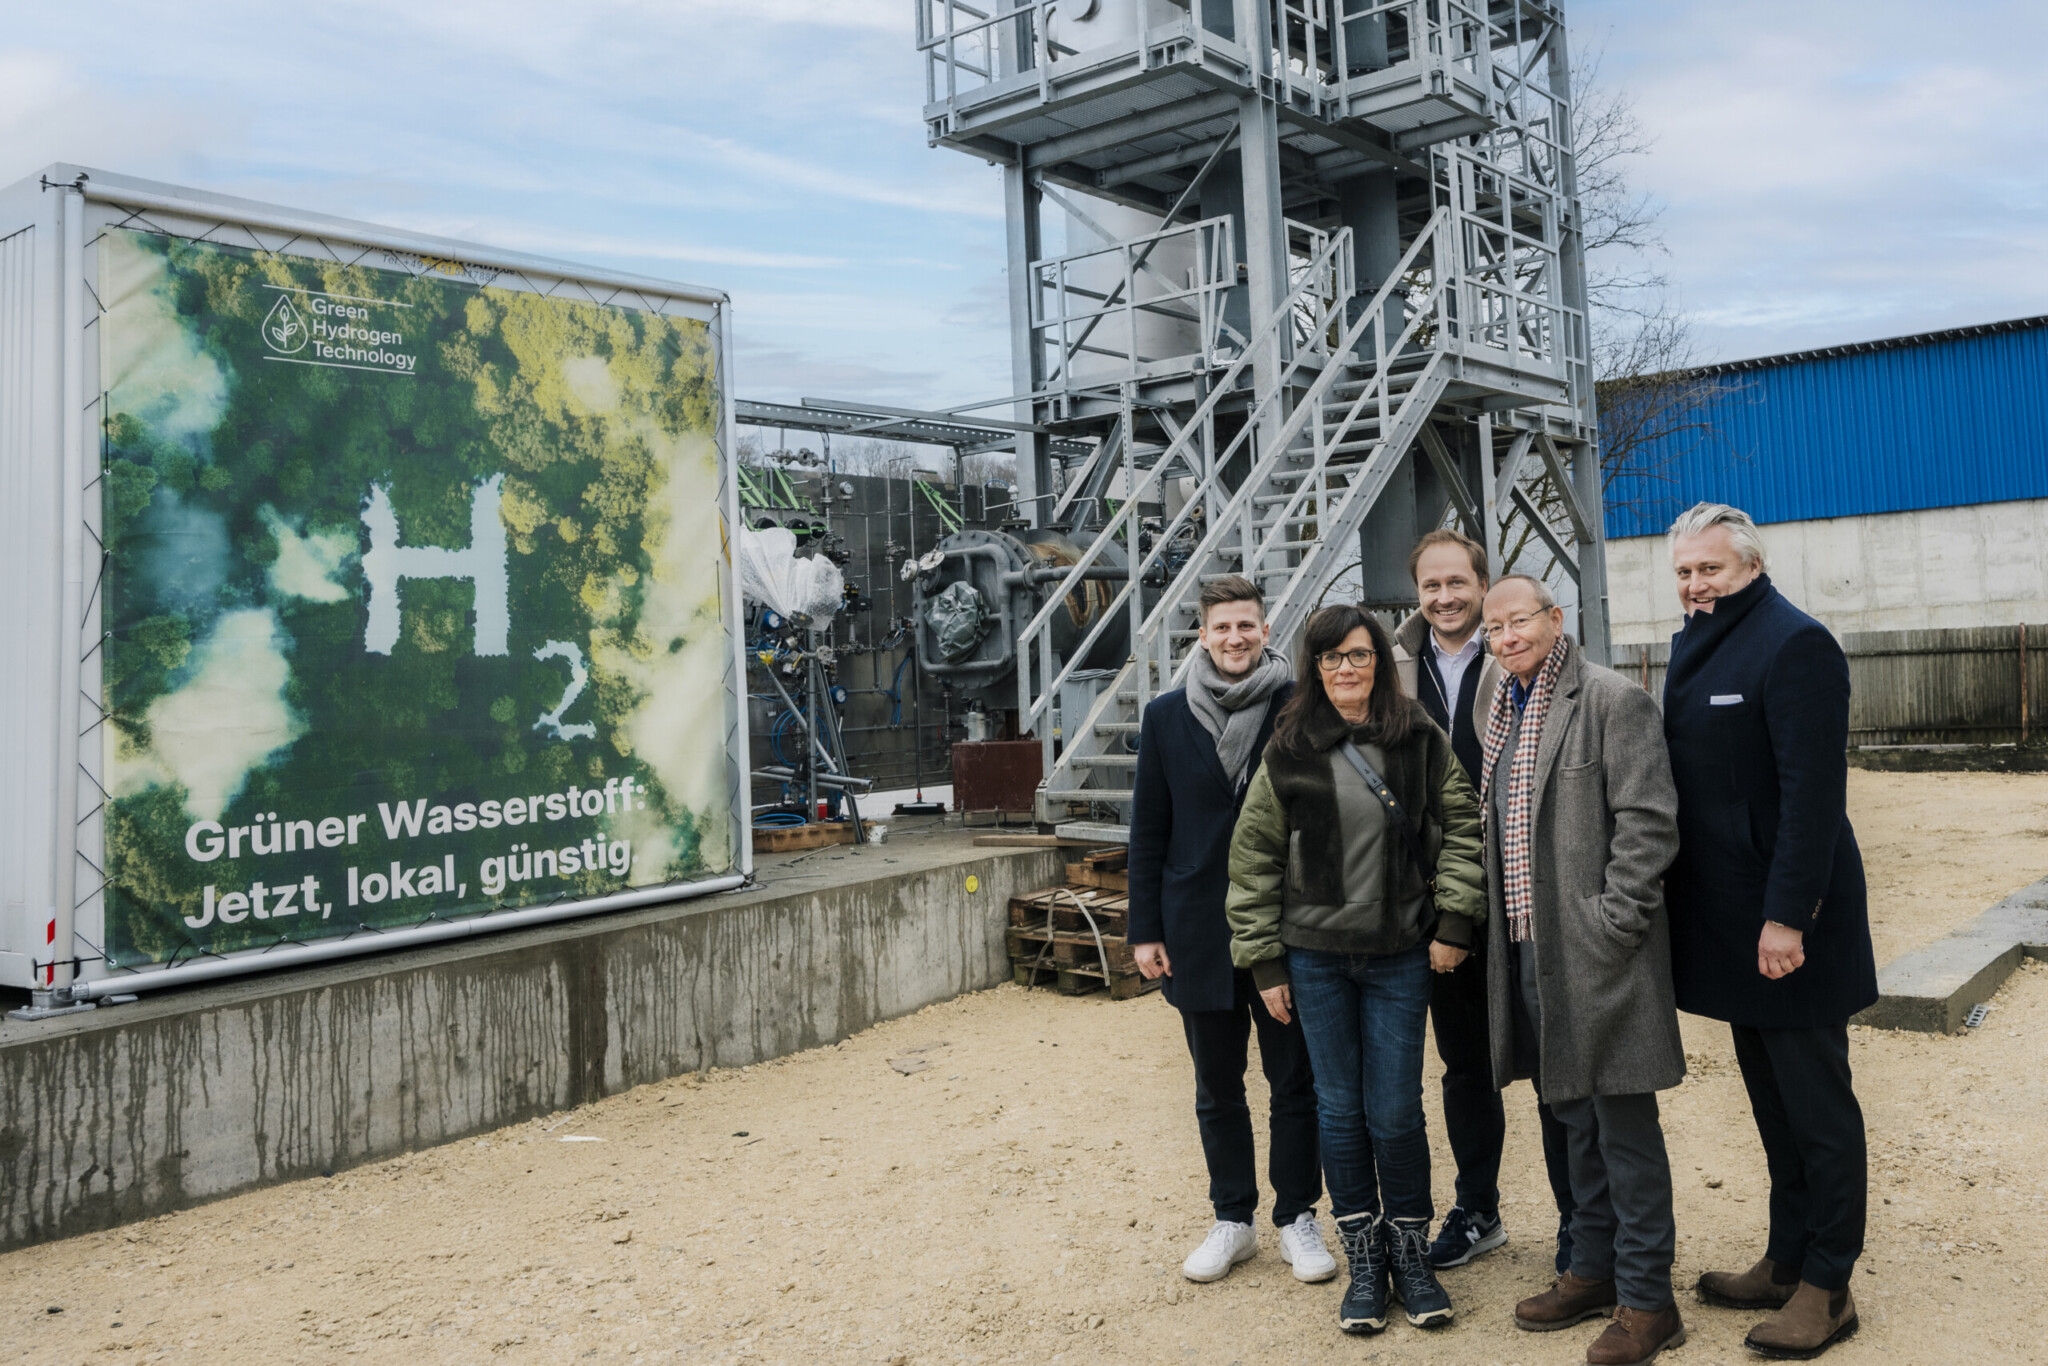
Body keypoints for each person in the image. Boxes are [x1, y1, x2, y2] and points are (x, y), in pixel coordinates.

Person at [1225, 603, 1486, 1336]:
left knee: (1396, 1109)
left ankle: (1411, 1253)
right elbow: (1253, 862)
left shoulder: (1419, 737)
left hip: (1401, 951)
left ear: (1381, 661)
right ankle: (1365, 1257)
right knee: (1339, 1110)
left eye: (1361, 655)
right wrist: (1266, 963)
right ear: (1314, 666)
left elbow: (1465, 824)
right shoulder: (1289, 749)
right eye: (1333, 657)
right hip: (1314, 960)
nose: (1347, 668)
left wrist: (1455, 921)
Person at [1661, 503, 1878, 1360]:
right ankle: (1787, 1257)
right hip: (1729, 919)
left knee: (1818, 1108)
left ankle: (1829, 1285)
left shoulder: (1797, 645)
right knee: (1773, 1104)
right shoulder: (1697, 638)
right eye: (1683, 570)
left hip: (1790, 925)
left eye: (1709, 569)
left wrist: (1789, 915)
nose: (1694, 583)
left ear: (1750, 565)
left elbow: (1814, 796)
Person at [1478, 575, 1688, 1366]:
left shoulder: (1608, 699)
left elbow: (1648, 819)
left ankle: (1648, 1299)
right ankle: (1593, 1268)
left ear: (1555, 619)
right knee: (1570, 1117)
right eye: (1495, 628)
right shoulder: (1497, 706)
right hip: (1530, 947)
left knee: (1624, 1127)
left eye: (1519, 620)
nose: (1505, 637)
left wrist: (1615, 920)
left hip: (1600, 951)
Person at [1127, 576, 1334, 1286]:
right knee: (1217, 1085)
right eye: (1223, 629)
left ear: (1266, 629)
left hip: (1286, 926)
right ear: (1204, 636)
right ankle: (1232, 1218)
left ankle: (1297, 1216)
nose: (1236, 639)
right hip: (1197, 934)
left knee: (1293, 1082)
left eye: (1247, 626)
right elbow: (1148, 829)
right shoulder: (1164, 717)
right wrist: (1144, 928)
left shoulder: (1302, 710)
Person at [1391, 529, 1577, 1275]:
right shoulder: (1394, 669)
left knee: (1552, 1061)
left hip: (1524, 893)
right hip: (1440, 900)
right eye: (1431, 586)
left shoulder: (1519, 658)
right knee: (1464, 1063)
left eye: (1457, 583)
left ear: (1481, 583)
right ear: (1417, 594)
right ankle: (1478, 1209)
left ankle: (1577, 1221)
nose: (1445, 597)